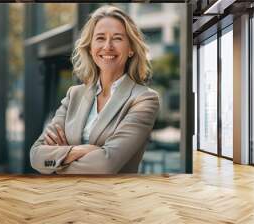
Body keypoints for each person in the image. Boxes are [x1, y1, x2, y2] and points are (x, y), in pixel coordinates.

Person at [30, 5, 160, 174]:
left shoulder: (143, 99)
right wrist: (78, 151)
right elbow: (36, 156)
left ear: (131, 49)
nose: (108, 46)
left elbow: (106, 165)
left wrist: (58, 161)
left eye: (117, 38)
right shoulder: (74, 94)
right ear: (90, 48)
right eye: (100, 38)